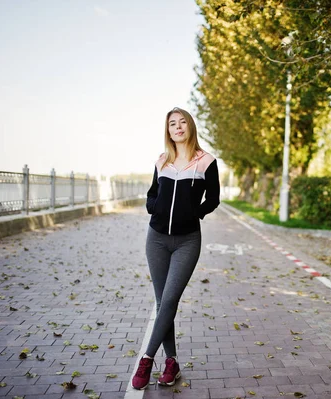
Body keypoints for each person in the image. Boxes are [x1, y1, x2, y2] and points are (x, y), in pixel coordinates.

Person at [131, 107, 220, 389]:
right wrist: (153, 208)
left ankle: (146, 359)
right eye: (172, 124)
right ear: (168, 130)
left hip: (187, 240)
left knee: (169, 300)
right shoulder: (162, 161)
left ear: (190, 127)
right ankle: (171, 363)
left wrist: (195, 213)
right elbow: (152, 194)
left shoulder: (206, 161)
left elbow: (214, 198)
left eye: (182, 122)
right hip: (156, 239)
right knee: (162, 303)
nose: (178, 127)